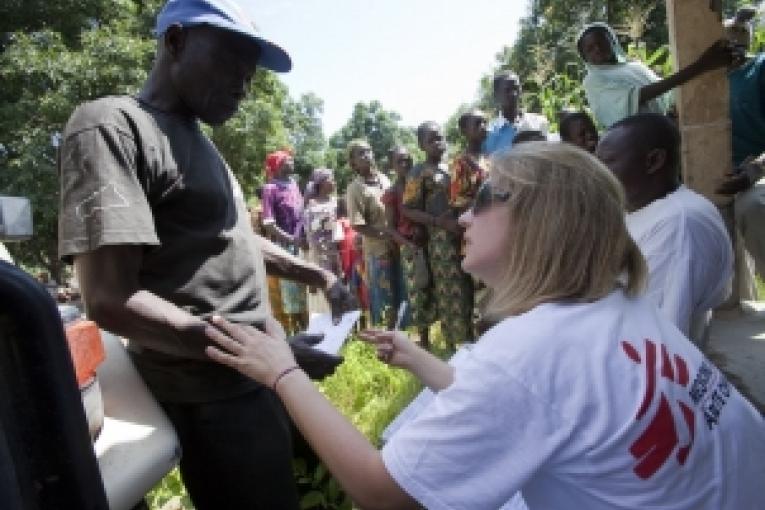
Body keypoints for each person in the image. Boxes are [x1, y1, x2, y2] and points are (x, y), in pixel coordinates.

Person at [203, 141, 765, 510]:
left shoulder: (530, 348)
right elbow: (536, 407)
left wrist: (281, 373)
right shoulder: (618, 305)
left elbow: (384, 492)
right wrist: (420, 360)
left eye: (487, 200)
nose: (465, 216)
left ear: (542, 221)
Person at [57, 1, 354, 508]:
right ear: (175, 42)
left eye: (250, 73)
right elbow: (109, 299)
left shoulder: (202, 145)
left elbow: (230, 236)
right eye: (230, 62)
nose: (243, 83)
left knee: (320, 495)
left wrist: (316, 276)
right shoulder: (112, 127)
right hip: (213, 398)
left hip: (262, 374)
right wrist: (254, 355)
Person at [596, 113, 733, 343]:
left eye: (607, 162)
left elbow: (656, 333)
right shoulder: (646, 209)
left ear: (654, 161)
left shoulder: (679, 224)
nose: (597, 173)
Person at [578, 22, 741, 129]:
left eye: (601, 43)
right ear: (585, 57)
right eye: (590, 48)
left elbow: (666, 92)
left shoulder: (634, 67)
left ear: (613, 42)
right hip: (639, 141)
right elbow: (637, 96)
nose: (597, 49)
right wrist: (701, 66)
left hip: (665, 130)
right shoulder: (593, 80)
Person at [403, 122, 474, 349]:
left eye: (441, 137)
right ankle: (458, 347)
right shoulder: (419, 172)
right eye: (432, 139)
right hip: (441, 242)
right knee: (451, 293)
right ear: (422, 145)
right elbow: (407, 208)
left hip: (466, 234)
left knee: (471, 287)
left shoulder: (456, 165)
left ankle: (476, 341)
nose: (438, 142)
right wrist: (437, 222)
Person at [345, 139, 401, 327]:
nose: (367, 155)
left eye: (368, 151)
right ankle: (384, 342)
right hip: (377, 251)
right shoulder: (355, 189)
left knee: (400, 294)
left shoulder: (384, 179)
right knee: (383, 297)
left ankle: (402, 338)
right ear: (353, 163)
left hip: (396, 246)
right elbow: (358, 225)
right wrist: (386, 235)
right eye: (361, 153)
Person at [382, 145, 431, 347]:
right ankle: (424, 338)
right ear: (392, 166)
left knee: (433, 289)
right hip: (409, 247)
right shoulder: (392, 193)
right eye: (400, 161)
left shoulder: (421, 184)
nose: (405, 164)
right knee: (417, 291)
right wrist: (408, 244)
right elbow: (390, 228)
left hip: (428, 241)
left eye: (408, 159)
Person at [262, 150, 308, 331]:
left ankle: (306, 330)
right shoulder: (270, 189)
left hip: (300, 246)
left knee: (303, 290)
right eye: (288, 160)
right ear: (279, 165)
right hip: (283, 247)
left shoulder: (294, 185)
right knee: (289, 294)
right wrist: (291, 240)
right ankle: (292, 334)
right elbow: (269, 223)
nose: (292, 162)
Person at [302, 168, 344, 314]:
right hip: (320, 255)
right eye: (330, 179)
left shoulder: (337, 202)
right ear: (321, 182)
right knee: (324, 290)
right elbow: (310, 234)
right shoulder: (311, 205)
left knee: (339, 288)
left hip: (337, 253)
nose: (334, 182)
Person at [483, 71, 549, 155]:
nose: (514, 94)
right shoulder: (488, 134)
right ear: (496, 95)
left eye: (516, 88)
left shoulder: (539, 122)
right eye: (508, 90)